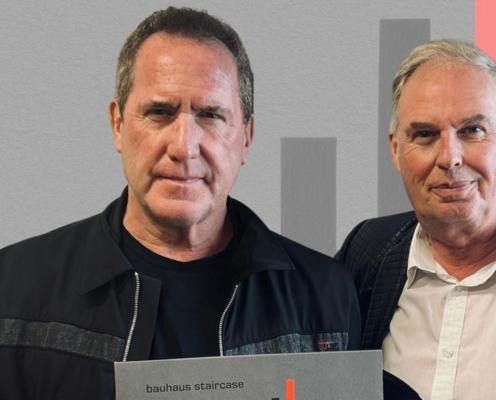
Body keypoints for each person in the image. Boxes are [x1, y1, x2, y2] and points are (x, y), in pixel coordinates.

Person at [0, 7, 360, 399]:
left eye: (211, 115)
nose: (184, 147)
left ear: (246, 136)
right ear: (118, 124)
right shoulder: (13, 285)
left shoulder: (327, 296)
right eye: (159, 112)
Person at [337, 39, 496, 400]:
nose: (450, 157)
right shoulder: (366, 253)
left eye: (472, 130)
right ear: (396, 150)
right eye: (425, 134)